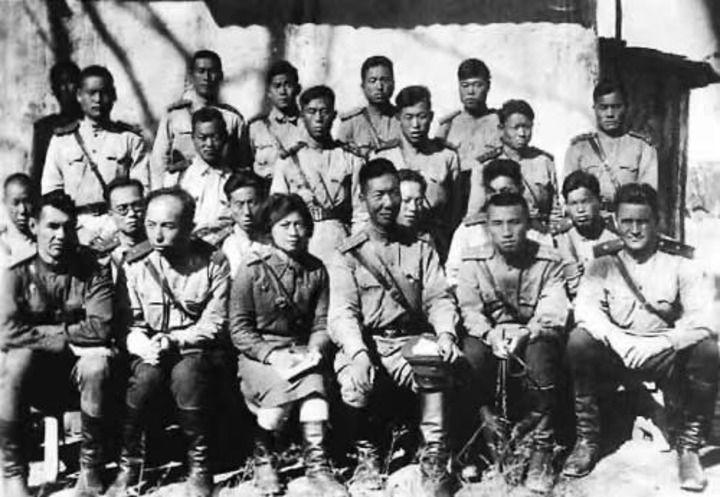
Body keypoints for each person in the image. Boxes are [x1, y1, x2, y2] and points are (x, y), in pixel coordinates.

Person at [564, 183, 718, 492]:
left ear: (657, 221)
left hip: (664, 353)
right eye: (627, 222)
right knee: (579, 341)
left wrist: (661, 343)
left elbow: (704, 318)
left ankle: (689, 448)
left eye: (643, 221)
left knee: (709, 351)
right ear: (616, 222)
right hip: (618, 353)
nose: (634, 230)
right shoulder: (602, 264)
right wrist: (620, 341)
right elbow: (586, 310)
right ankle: (588, 439)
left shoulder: (679, 262)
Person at [328, 159, 461, 495]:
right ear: (362, 198)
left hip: (409, 341)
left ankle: (434, 456)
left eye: (393, 193)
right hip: (369, 342)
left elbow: (439, 297)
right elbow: (342, 312)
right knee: (354, 381)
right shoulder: (347, 254)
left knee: (434, 367)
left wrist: (446, 333)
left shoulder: (420, 247)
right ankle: (367, 456)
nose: (388, 203)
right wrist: (358, 353)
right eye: (378, 195)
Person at [107, 188, 231, 497]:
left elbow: (215, 323)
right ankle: (129, 466)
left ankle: (199, 467)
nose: (157, 235)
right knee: (145, 379)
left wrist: (174, 340)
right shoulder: (134, 263)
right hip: (151, 350)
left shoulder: (213, 262)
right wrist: (142, 344)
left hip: (196, 349)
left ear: (189, 226)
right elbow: (129, 321)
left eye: (168, 226)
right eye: (151, 225)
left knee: (188, 374)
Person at [231, 193, 346, 496]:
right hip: (259, 355)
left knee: (316, 396)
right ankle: (263, 458)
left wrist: (316, 348)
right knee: (277, 402)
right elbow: (239, 330)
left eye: (299, 225)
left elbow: (321, 322)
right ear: (270, 229)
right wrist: (271, 356)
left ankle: (317, 466)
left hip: (300, 352)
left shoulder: (316, 270)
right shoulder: (252, 269)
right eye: (284, 225)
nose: (293, 232)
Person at [0, 190, 114, 497]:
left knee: (96, 365)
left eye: (67, 227)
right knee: (13, 361)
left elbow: (101, 327)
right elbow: (6, 332)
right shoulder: (16, 275)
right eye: (52, 226)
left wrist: (45, 334)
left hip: (77, 373)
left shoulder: (92, 271)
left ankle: (90, 469)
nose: (60, 235)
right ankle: (13, 473)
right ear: (33, 226)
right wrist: (61, 340)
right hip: (34, 376)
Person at [456, 192, 568, 493]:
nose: (506, 232)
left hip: (532, 335)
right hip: (490, 336)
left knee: (542, 352)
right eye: (498, 224)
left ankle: (541, 449)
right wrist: (489, 334)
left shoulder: (548, 260)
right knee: (470, 355)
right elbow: (469, 310)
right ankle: (482, 444)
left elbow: (553, 309)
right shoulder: (472, 261)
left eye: (515, 222)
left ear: (528, 224)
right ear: (487, 227)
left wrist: (527, 332)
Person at [41, 65, 150, 245]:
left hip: (120, 228)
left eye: (104, 93)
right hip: (74, 229)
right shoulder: (61, 141)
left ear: (113, 95)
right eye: (91, 93)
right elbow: (51, 193)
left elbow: (142, 190)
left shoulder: (129, 139)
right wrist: (76, 229)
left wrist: (114, 227)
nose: (98, 99)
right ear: (79, 95)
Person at [270, 85, 364, 261]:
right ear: (302, 116)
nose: (318, 118)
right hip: (302, 243)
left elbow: (361, 213)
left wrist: (354, 249)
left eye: (324, 111)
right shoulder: (288, 162)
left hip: (342, 244)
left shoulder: (351, 159)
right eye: (311, 112)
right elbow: (277, 213)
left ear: (334, 115)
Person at [372, 85, 463, 249]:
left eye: (422, 117)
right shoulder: (382, 157)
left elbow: (456, 210)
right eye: (408, 117)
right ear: (398, 117)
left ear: (431, 117)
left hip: (435, 242)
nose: (415, 124)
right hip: (392, 243)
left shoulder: (446, 157)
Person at [446, 159, 552, 288]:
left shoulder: (537, 231)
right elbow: (454, 276)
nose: (498, 197)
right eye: (492, 192)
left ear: (521, 190)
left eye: (505, 191)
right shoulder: (470, 230)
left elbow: (549, 273)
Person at [151, 50, 247, 187]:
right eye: (201, 71)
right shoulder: (175, 115)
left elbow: (242, 162)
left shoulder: (232, 118)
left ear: (220, 76)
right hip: (182, 185)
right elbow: (159, 162)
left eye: (212, 72)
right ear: (191, 76)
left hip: (218, 186)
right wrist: (158, 193)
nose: (206, 77)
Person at [564, 80, 658, 219]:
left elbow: (647, 194)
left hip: (626, 219)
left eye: (616, 107)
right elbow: (570, 194)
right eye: (603, 107)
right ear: (595, 109)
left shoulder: (642, 147)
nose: (610, 114)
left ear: (626, 107)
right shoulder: (579, 148)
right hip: (591, 221)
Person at [468, 99, 561, 231]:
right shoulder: (484, 166)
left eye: (526, 127)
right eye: (515, 128)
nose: (522, 134)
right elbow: (475, 215)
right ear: (501, 129)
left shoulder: (544, 162)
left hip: (540, 232)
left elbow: (555, 212)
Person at [163, 107, 233, 245]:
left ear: (224, 137)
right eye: (202, 138)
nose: (209, 144)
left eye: (215, 137)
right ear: (193, 138)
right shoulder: (178, 177)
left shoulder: (234, 179)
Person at [554, 170, 618, 298]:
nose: (580, 210)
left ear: (599, 201)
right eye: (573, 204)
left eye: (585, 202)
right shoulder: (563, 239)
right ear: (566, 207)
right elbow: (571, 286)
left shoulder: (614, 232)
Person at [248, 60, 304, 189]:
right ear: (268, 92)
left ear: (297, 89)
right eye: (277, 86)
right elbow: (247, 168)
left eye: (287, 85)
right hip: (267, 193)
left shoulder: (307, 125)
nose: (282, 91)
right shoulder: (256, 128)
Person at [337, 56, 401, 158]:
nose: (379, 87)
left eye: (384, 80)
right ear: (363, 86)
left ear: (393, 84)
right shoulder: (350, 123)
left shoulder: (403, 120)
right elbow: (341, 159)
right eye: (372, 80)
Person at [31, 61, 83, 186]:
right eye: (59, 84)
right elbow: (38, 172)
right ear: (53, 90)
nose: (64, 88)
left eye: (70, 82)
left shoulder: (91, 123)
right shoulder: (44, 128)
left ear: (80, 86)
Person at [221, 171, 268, 277]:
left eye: (252, 203)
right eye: (239, 204)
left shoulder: (275, 240)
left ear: (262, 203)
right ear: (229, 206)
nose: (247, 212)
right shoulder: (222, 244)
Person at [105, 177, 148, 271]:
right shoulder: (106, 253)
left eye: (137, 206)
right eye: (122, 209)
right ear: (111, 214)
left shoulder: (158, 246)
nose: (131, 213)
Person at [0, 173, 37, 264]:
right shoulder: (3, 241)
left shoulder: (40, 238)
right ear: (5, 203)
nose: (22, 210)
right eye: (15, 203)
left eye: (27, 202)